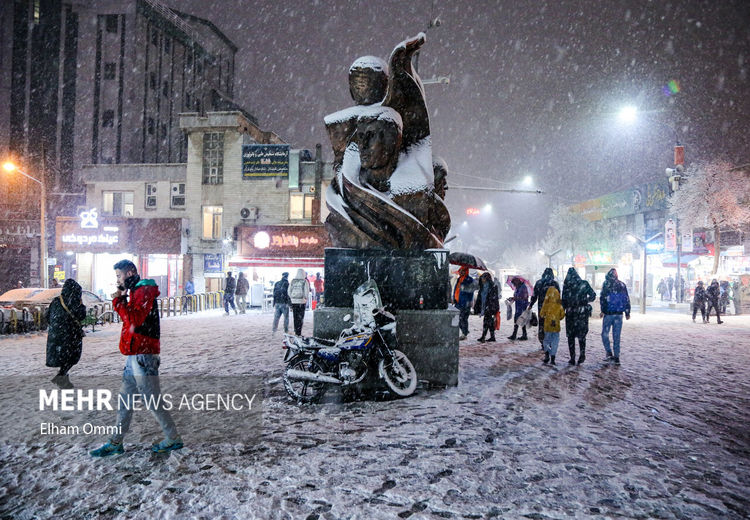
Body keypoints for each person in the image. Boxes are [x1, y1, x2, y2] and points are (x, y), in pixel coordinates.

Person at [90, 259, 182, 457]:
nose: (117, 280)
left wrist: (118, 301)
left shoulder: (143, 291)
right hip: (135, 355)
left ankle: (173, 437)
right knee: (125, 400)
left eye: (118, 276)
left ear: (129, 274)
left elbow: (134, 320)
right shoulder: (136, 292)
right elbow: (132, 321)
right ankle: (116, 442)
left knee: (152, 399)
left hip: (144, 355)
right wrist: (123, 298)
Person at [46, 278, 86, 389]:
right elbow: (81, 316)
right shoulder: (75, 301)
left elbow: (47, 316)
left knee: (63, 357)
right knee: (71, 357)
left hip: (56, 334)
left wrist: (56, 327)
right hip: (71, 335)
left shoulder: (56, 301)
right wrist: (81, 305)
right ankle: (62, 376)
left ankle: (63, 377)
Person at [561, 267, 596, 365]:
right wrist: (585, 301)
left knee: (570, 336)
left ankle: (572, 358)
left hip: (571, 314)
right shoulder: (584, 284)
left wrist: (563, 309)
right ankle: (582, 354)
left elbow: (563, 301)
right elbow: (593, 295)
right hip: (582, 314)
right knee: (582, 335)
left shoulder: (567, 286)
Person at [599, 268, 630, 365]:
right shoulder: (622, 285)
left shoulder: (606, 284)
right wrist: (627, 312)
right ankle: (617, 357)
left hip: (608, 314)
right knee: (616, 336)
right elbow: (626, 299)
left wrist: (603, 310)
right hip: (619, 315)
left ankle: (608, 352)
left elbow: (603, 298)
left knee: (605, 334)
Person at [529, 268, 560, 350]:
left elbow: (534, 295)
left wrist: (531, 304)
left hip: (542, 308)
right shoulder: (554, 284)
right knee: (551, 325)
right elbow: (558, 296)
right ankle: (550, 342)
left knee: (542, 325)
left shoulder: (539, 283)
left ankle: (543, 342)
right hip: (552, 309)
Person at [539, 287, 565, 365]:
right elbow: (562, 315)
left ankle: (547, 354)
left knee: (546, 340)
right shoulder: (559, 304)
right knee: (555, 341)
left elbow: (542, 314)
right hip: (556, 326)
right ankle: (553, 357)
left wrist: (546, 316)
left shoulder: (546, 304)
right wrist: (556, 318)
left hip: (547, 326)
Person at [474, 272, 499, 342]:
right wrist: (477, 307)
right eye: (482, 278)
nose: (482, 279)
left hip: (490, 307)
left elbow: (494, 298)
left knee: (486, 321)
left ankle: (483, 337)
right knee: (490, 322)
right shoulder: (482, 287)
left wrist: (491, 306)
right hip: (484, 306)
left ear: (487, 278)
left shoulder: (493, 287)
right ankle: (492, 337)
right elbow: (480, 297)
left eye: (484, 278)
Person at [453, 266, 475, 340]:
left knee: (463, 318)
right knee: (458, 318)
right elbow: (456, 289)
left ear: (466, 271)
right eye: (460, 270)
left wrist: (469, 302)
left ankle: (464, 333)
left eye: (462, 271)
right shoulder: (459, 279)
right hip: (458, 302)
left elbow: (471, 292)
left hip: (465, 303)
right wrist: (454, 298)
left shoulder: (469, 280)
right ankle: (465, 331)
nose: (461, 272)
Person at [288, 269, 311, 336]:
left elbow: (289, 291)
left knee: (295, 317)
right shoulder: (304, 281)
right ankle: (299, 332)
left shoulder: (293, 281)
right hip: (301, 301)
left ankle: (296, 331)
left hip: (294, 302)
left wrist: (292, 298)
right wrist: (305, 298)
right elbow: (306, 292)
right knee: (300, 317)